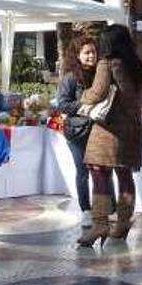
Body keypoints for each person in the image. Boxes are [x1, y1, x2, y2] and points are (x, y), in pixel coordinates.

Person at [78, 25, 142, 247]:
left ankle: (99, 224)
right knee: (125, 174)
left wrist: (84, 96)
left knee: (98, 172)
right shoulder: (139, 67)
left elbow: (97, 93)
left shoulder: (107, 63)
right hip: (132, 129)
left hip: (108, 130)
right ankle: (123, 222)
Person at [56, 35, 98, 228]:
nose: (91, 56)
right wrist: (84, 104)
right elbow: (63, 104)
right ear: (77, 55)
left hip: (97, 129)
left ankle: (105, 208)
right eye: (87, 52)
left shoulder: (100, 74)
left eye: (93, 52)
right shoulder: (71, 77)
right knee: (82, 171)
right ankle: (85, 209)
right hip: (77, 132)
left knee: (100, 170)